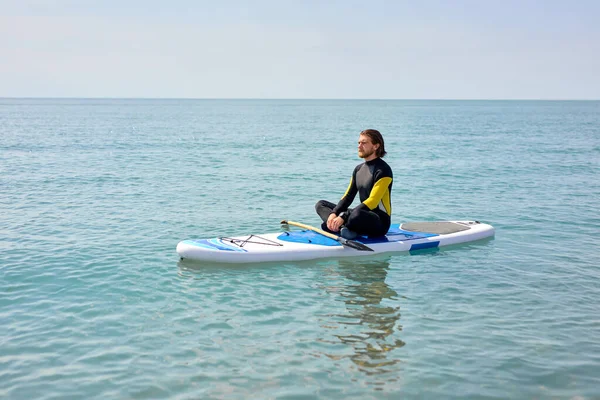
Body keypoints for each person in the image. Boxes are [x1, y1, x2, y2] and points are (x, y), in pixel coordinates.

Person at [315, 129, 393, 240]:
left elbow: (373, 201)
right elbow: (348, 197)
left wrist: (344, 215)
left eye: (364, 143)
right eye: (359, 143)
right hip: (360, 214)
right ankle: (342, 228)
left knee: (356, 214)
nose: (359, 146)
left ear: (376, 146)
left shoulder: (384, 170)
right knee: (321, 204)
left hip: (379, 221)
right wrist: (334, 213)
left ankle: (340, 227)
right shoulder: (358, 169)